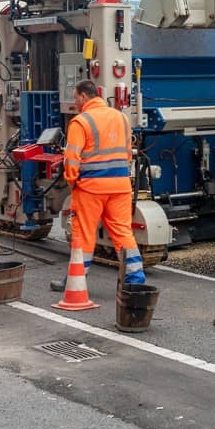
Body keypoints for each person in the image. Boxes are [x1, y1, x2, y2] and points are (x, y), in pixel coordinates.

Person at [57, 79, 145, 294]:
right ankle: (134, 278)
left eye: (76, 98)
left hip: (90, 188)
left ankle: (77, 278)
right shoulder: (122, 118)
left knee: (83, 233)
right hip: (121, 186)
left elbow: (71, 159)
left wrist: (72, 183)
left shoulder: (80, 122)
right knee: (122, 231)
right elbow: (126, 152)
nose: (75, 102)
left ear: (84, 96)